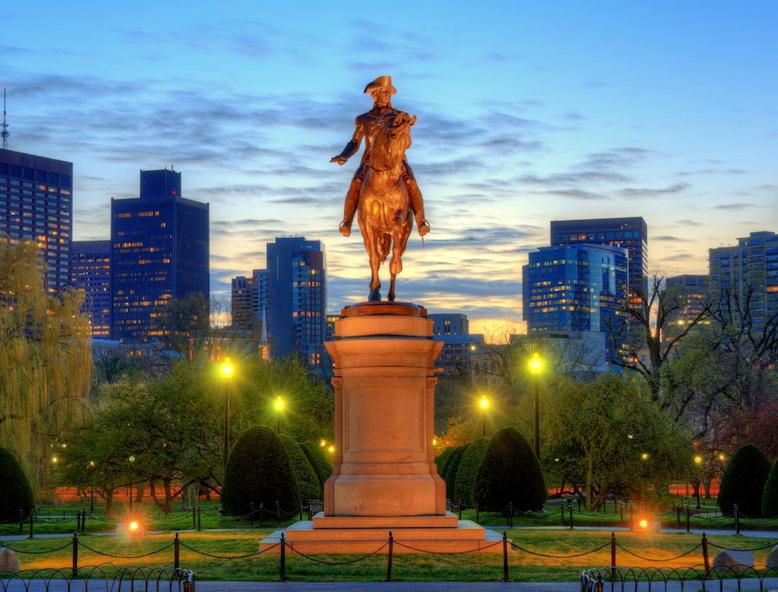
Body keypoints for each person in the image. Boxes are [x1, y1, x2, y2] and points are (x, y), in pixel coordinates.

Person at [331, 75, 430, 237]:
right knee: (356, 182)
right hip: (370, 161)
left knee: (411, 182)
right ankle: (347, 221)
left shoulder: (398, 117)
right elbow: (355, 142)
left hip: (396, 160)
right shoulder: (363, 119)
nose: (386, 97)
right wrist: (344, 156)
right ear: (374, 95)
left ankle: (421, 221)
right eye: (383, 93)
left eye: (388, 94)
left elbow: (407, 141)